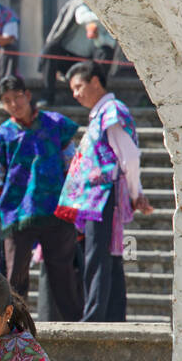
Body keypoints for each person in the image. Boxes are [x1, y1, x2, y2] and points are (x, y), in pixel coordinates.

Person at [56, 61, 153, 322]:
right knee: (105, 256)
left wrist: (135, 193)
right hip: (95, 199)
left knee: (98, 257)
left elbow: (129, 156)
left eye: (78, 87)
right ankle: (110, 315)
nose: (75, 94)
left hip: (103, 196)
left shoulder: (112, 111)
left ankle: (95, 317)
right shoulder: (102, 113)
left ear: (95, 82)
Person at [0, 74, 82, 320]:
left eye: (17, 97)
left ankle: (73, 328)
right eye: (7, 101)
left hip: (56, 209)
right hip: (17, 211)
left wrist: (74, 200)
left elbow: (72, 163)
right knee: (15, 275)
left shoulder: (55, 123)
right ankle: (15, 327)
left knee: (62, 272)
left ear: (27, 95)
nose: (14, 104)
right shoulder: (2, 135)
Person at [37, 0, 117, 106]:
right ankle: (47, 96)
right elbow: (81, 18)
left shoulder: (114, 11)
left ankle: (98, 96)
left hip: (89, 64)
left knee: (106, 51)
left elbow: (111, 43)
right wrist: (100, 20)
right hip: (67, 58)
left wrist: (98, 37)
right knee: (51, 48)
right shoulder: (82, 2)